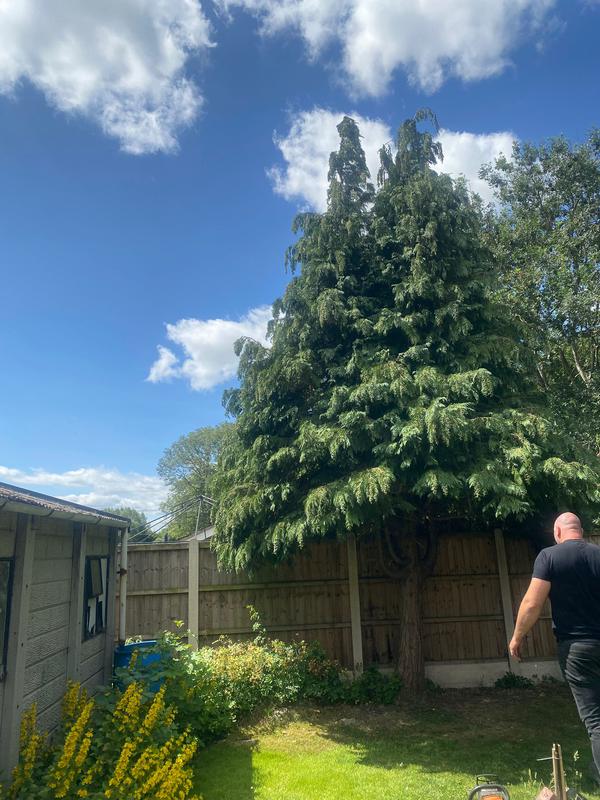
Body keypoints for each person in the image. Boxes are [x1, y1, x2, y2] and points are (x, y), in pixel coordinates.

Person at [509, 512, 600, 776]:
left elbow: (532, 603)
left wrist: (517, 637)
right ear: (580, 530)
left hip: (577, 649)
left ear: (557, 532)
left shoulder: (549, 557)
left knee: (595, 720)